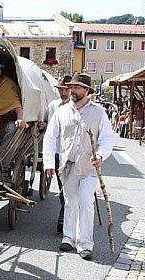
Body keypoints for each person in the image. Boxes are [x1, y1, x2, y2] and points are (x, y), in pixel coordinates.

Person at [43, 73, 116, 260]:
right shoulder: (62, 111)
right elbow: (50, 138)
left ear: (86, 90)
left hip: (89, 167)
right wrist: (49, 163)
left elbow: (107, 138)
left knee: (86, 201)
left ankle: (85, 243)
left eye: (76, 87)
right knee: (70, 202)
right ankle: (69, 237)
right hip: (67, 165)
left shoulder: (98, 112)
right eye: (71, 87)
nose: (71, 90)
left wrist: (101, 155)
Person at [44, 75, 71, 235]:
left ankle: (67, 215)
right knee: (62, 185)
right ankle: (64, 211)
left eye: (66, 89)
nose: (63, 92)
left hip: (71, 153)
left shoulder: (77, 107)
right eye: (61, 89)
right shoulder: (53, 106)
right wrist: (43, 125)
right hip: (56, 153)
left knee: (70, 186)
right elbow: (47, 126)